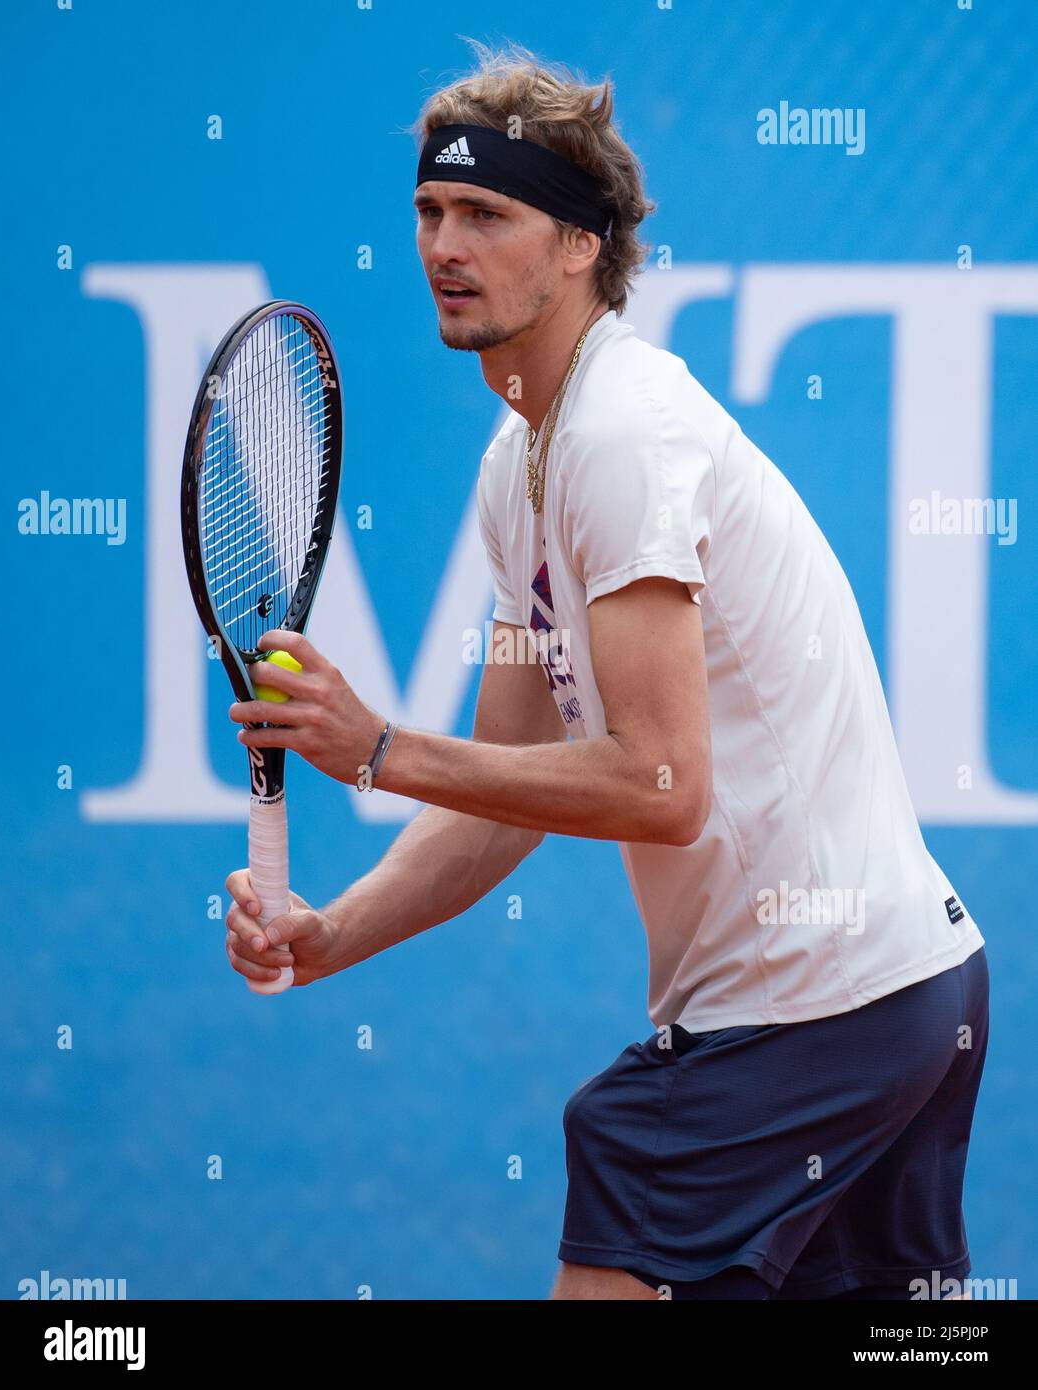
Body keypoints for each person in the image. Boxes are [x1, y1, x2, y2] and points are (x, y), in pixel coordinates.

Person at [222, 43, 988, 1301]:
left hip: (811, 1010)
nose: (444, 246)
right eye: (429, 212)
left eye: (487, 214)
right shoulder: (519, 464)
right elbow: (506, 799)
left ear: (583, 245)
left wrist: (375, 746)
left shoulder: (622, 435)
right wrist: (327, 934)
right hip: (902, 997)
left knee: (618, 1155)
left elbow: (662, 781)